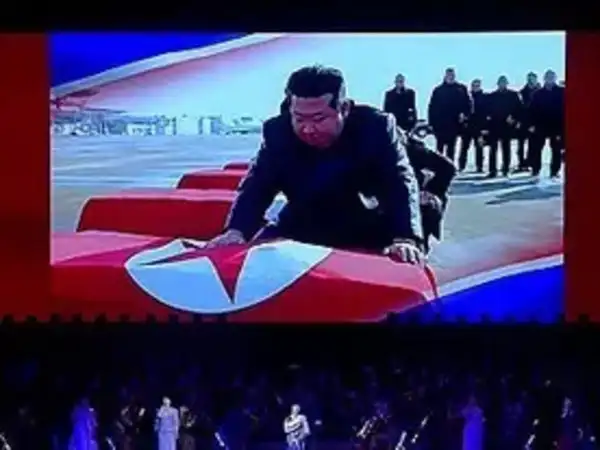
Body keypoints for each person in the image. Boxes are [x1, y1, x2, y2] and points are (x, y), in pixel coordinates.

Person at [207, 65, 424, 265]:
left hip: (366, 223)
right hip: (303, 222)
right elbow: (257, 185)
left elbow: (399, 181)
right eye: (299, 119)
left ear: (344, 108)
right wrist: (237, 230)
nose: (308, 129)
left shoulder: (376, 127)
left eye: (319, 119)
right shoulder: (277, 132)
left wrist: (405, 237)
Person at [402, 126, 456, 253]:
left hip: (413, 203)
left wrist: (429, 191)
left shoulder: (408, 146)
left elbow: (447, 167)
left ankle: (421, 248)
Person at [482, 75, 523, 178]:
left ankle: (505, 169)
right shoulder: (492, 96)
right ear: (498, 84)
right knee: (493, 148)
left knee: (506, 148)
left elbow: (520, 109)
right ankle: (492, 170)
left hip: (507, 125)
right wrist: (487, 124)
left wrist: (514, 118)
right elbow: (486, 111)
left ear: (507, 84)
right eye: (500, 83)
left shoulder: (513, 95)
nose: (502, 84)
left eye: (504, 82)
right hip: (494, 125)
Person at [427, 68, 471, 163]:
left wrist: (464, 115)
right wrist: (431, 123)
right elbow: (432, 107)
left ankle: (450, 166)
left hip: (454, 123)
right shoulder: (438, 90)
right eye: (448, 75)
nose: (450, 77)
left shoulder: (461, 89)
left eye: (452, 75)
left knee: (451, 147)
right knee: (440, 147)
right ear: (445, 76)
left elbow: (468, 104)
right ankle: (438, 166)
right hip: (440, 124)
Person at [528, 69, 565, 180]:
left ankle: (554, 171)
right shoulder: (538, 94)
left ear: (555, 78)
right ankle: (535, 169)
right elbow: (532, 110)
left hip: (556, 125)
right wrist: (531, 124)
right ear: (544, 79)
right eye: (547, 77)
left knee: (556, 149)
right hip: (541, 125)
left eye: (551, 77)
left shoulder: (562, 92)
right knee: (537, 148)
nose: (549, 79)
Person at [458, 79, 488, 172]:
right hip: (467, 126)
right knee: (464, 147)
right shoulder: (466, 97)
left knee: (479, 147)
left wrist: (485, 127)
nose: (475, 87)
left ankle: (479, 166)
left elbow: (486, 113)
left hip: (479, 126)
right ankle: (461, 166)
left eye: (477, 85)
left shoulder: (484, 97)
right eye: (474, 85)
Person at [517, 72, 541, 172]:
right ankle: (522, 163)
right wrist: (518, 121)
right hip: (523, 121)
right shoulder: (522, 92)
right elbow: (518, 107)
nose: (531, 81)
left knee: (534, 145)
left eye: (533, 79)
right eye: (529, 79)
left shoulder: (540, 92)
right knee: (521, 145)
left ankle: (532, 163)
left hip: (535, 122)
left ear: (536, 80)